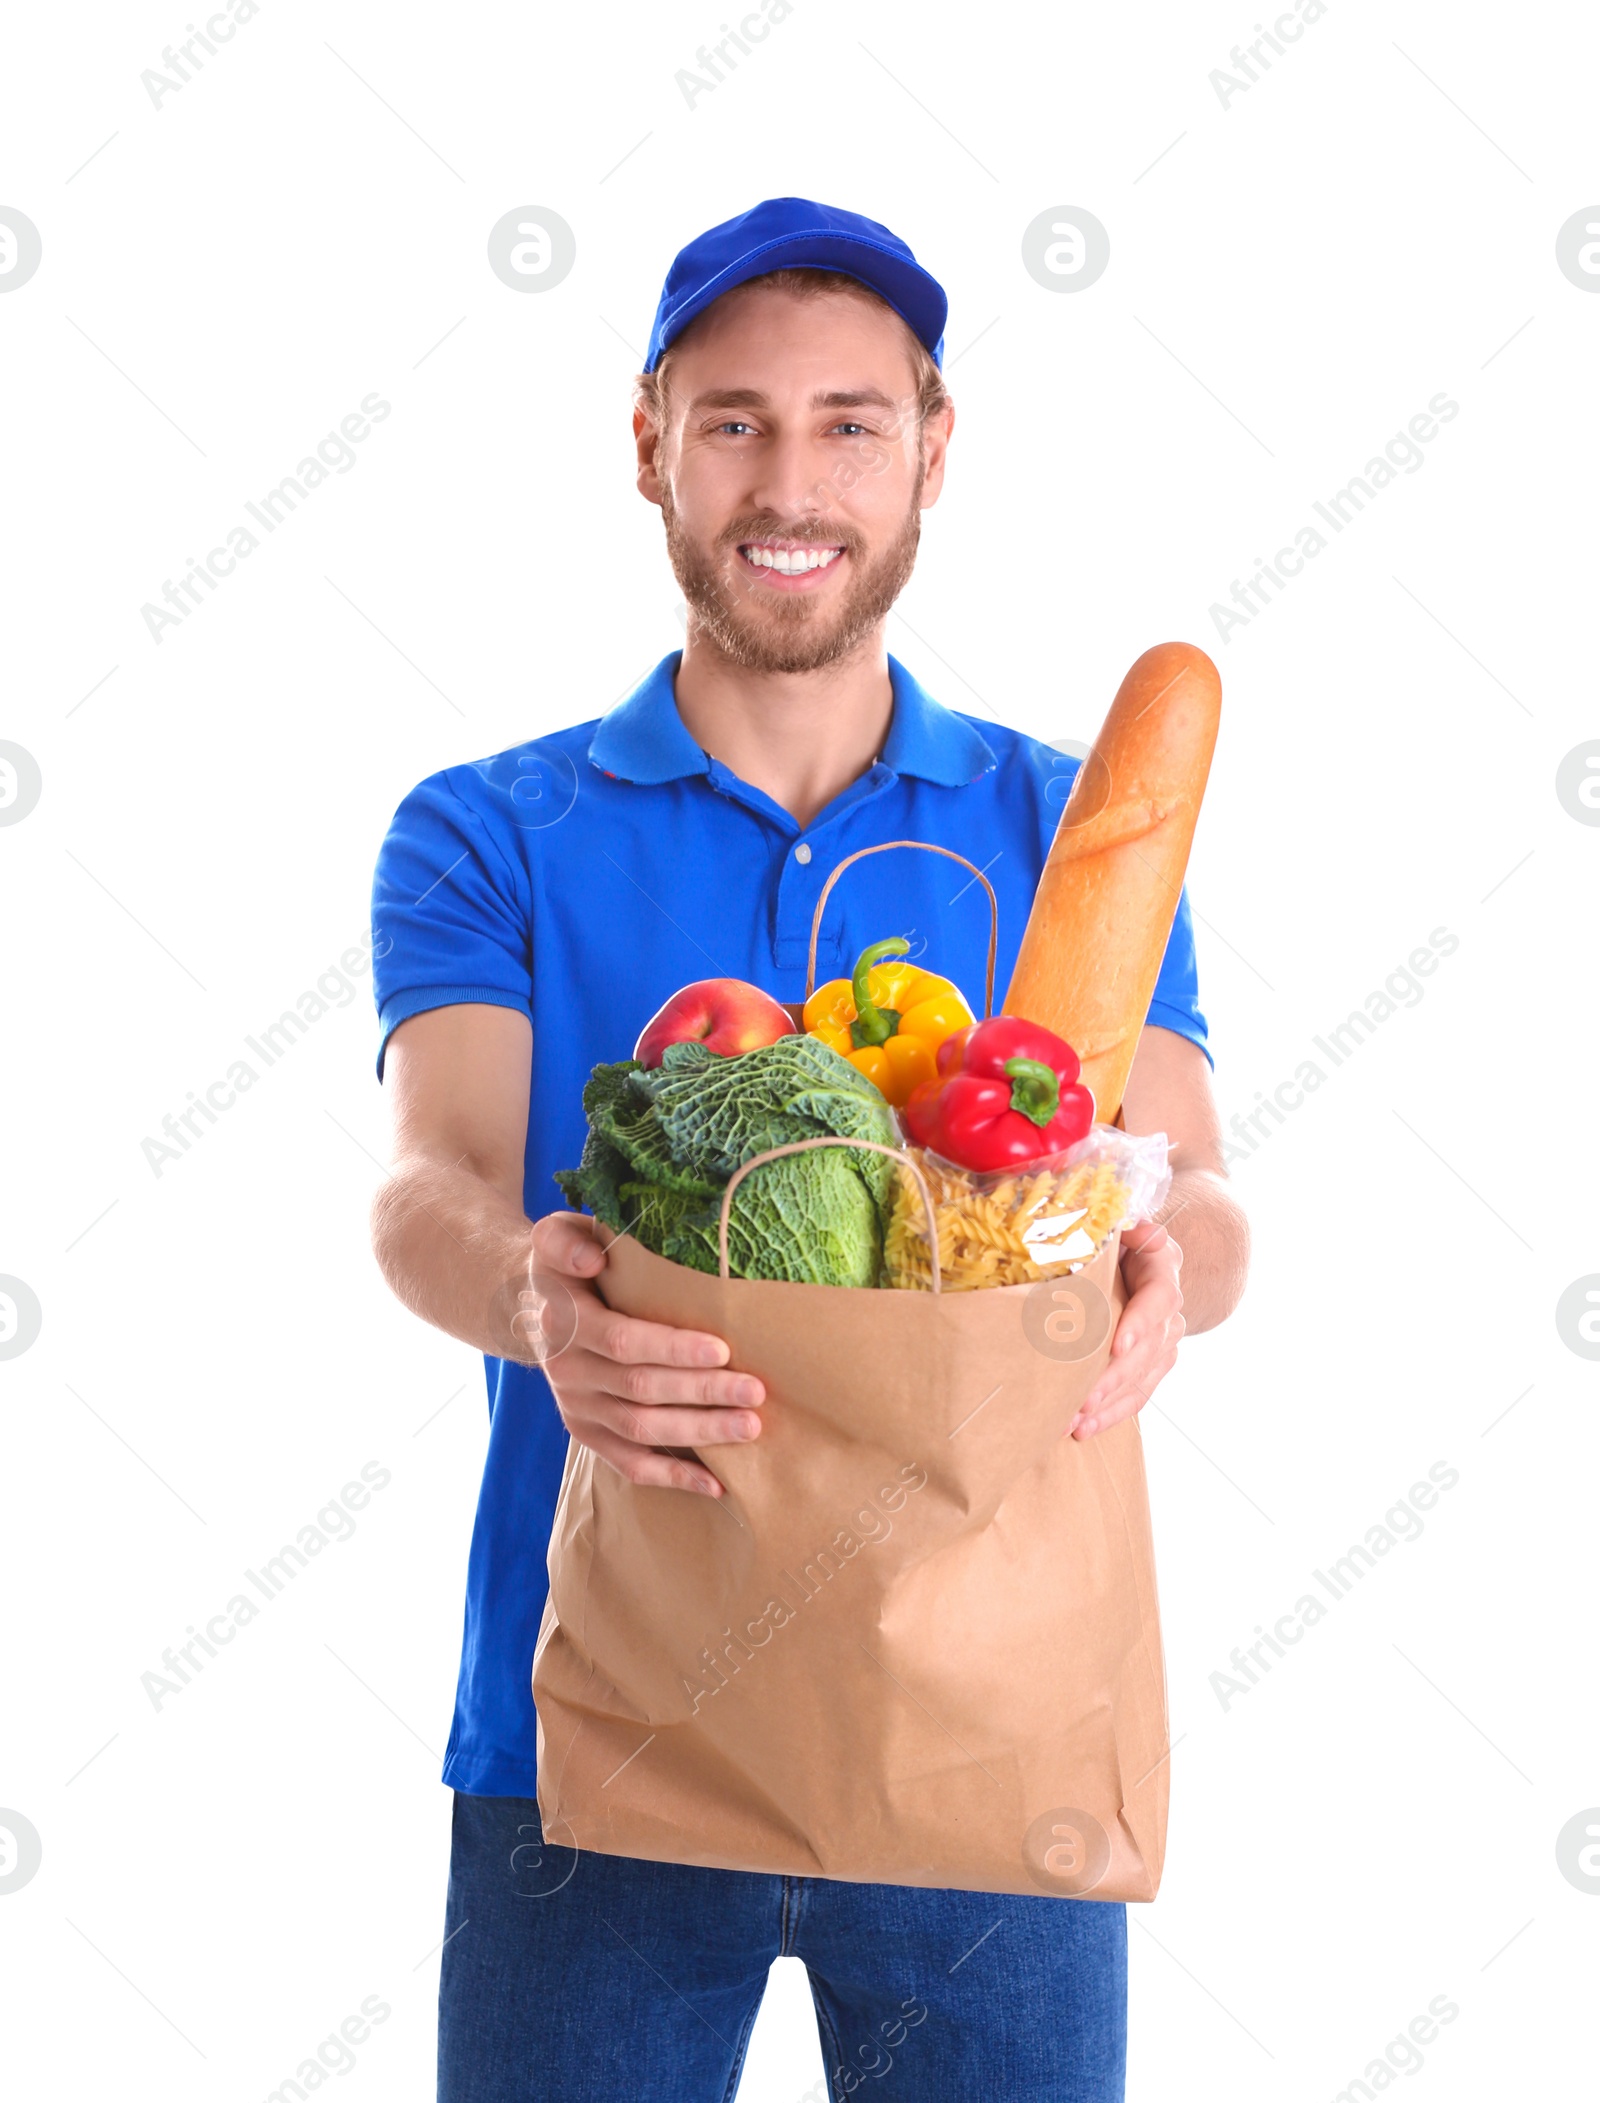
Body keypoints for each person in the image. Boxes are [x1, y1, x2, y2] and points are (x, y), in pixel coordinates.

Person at [369, 196, 1250, 2103]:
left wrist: (1175, 1274)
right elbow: (430, 1182)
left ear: (933, 454)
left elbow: (1196, 1184)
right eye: (736, 420)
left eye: (852, 423)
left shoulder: (1063, 818)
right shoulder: (488, 830)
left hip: (985, 1724)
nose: (793, 481)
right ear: (649, 444)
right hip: (588, 1731)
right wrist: (532, 1289)